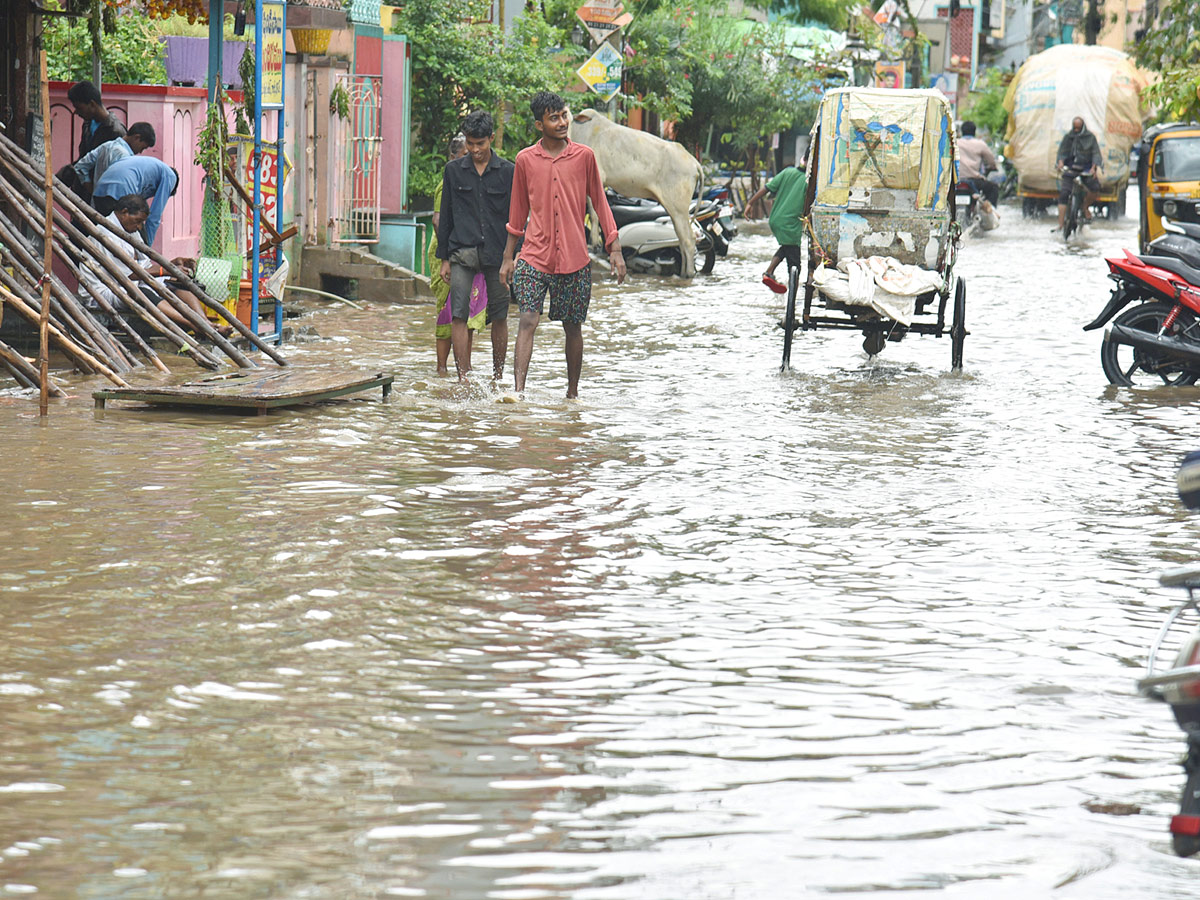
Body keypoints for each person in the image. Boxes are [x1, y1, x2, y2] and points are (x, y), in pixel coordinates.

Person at [500, 92, 626, 399]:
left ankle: (572, 395)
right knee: (528, 319)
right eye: (553, 117)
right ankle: (518, 392)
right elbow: (517, 212)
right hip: (533, 255)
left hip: (575, 259)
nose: (562, 122)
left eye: (564, 115)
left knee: (573, 327)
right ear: (538, 124)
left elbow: (600, 201)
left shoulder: (584, 157)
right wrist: (508, 257)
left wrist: (615, 248)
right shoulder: (525, 160)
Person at [77, 193, 230, 336]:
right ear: (124, 213)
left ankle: (205, 322)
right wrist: (165, 270)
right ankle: (194, 325)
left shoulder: (129, 230)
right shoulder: (106, 236)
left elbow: (144, 266)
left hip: (131, 281)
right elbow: (127, 275)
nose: (139, 227)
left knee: (178, 282)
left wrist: (171, 266)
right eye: (137, 221)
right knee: (143, 292)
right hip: (104, 290)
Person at [437, 111, 515, 382]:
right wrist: (444, 259)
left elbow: (515, 218)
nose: (475, 149)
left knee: (500, 314)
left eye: (480, 144)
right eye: (470, 144)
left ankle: (498, 376)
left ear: (491, 139)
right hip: (462, 252)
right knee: (458, 314)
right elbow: (445, 215)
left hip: (497, 253)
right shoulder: (453, 171)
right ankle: (462, 376)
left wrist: (513, 256)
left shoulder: (508, 172)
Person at [429, 133, 484, 375]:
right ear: (453, 158)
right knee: (448, 310)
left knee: (467, 313)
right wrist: (448, 257)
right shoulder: (448, 182)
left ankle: (465, 367)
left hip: (466, 251)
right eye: (464, 154)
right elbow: (438, 220)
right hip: (449, 252)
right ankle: (442, 368)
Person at [745, 158, 807, 293]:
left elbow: (767, 188)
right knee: (795, 266)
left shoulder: (787, 172)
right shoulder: (808, 181)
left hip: (776, 219)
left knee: (786, 248)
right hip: (790, 224)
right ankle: (792, 304)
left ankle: (770, 272)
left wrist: (750, 203)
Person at [57, 81, 127, 200]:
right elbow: (83, 158)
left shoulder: (115, 131)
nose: (77, 113)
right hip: (81, 192)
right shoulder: (88, 124)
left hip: (100, 196)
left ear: (92, 104)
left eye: (79, 108)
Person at [91, 155, 179, 245]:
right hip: (122, 189)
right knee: (138, 234)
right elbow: (154, 216)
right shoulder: (170, 177)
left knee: (109, 234)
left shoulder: (151, 168)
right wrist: (148, 246)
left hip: (100, 190)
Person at [72, 122, 156, 200]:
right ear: (137, 137)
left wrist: (92, 189)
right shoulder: (124, 157)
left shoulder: (107, 146)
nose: (140, 152)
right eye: (142, 148)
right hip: (116, 208)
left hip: (97, 204)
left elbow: (80, 166)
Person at [1056, 116, 1103, 231]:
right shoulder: (1068, 137)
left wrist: (1093, 167)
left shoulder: (1090, 138)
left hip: (1085, 169)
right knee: (1064, 194)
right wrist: (1061, 162)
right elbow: (1062, 152)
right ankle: (1061, 224)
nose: (1076, 131)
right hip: (1070, 168)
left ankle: (1085, 207)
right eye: (1075, 128)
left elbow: (1096, 153)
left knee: (1095, 188)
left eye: (1078, 128)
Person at [957, 120, 999, 209]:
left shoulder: (954, 143)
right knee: (994, 188)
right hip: (974, 181)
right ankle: (988, 212)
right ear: (974, 132)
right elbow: (991, 160)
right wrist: (993, 167)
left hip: (955, 181)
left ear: (961, 132)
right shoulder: (980, 144)